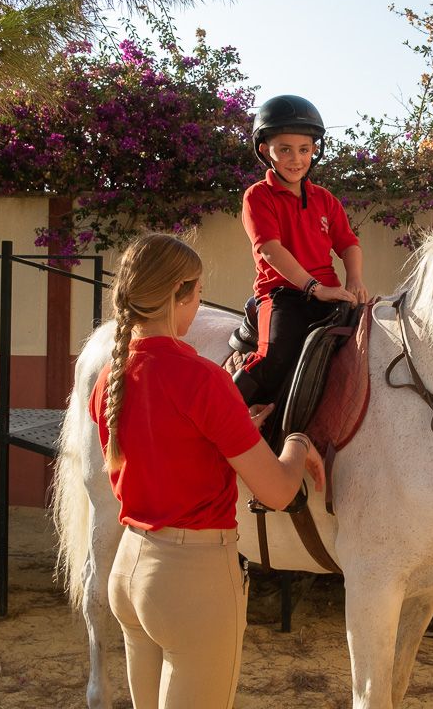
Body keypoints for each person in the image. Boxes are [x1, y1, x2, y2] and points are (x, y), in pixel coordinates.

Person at [88, 232, 325, 709]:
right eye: (197, 293)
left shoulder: (111, 377)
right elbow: (279, 492)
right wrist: (297, 443)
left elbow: (165, 448)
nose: (199, 305)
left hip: (132, 568)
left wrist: (232, 431)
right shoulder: (204, 379)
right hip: (192, 582)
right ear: (179, 295)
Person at [233, 94, 369, 406]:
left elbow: (349, 244)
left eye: (304, 149)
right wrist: (314, 288)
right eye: (285, 150)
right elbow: (270, 250)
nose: (296, 159)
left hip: (330, 292)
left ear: (314, 150)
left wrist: (354, 280)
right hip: (282, 295)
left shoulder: (325, 199)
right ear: (265, 150)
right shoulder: (258, 196)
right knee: (275, 357)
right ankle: (225, 418)